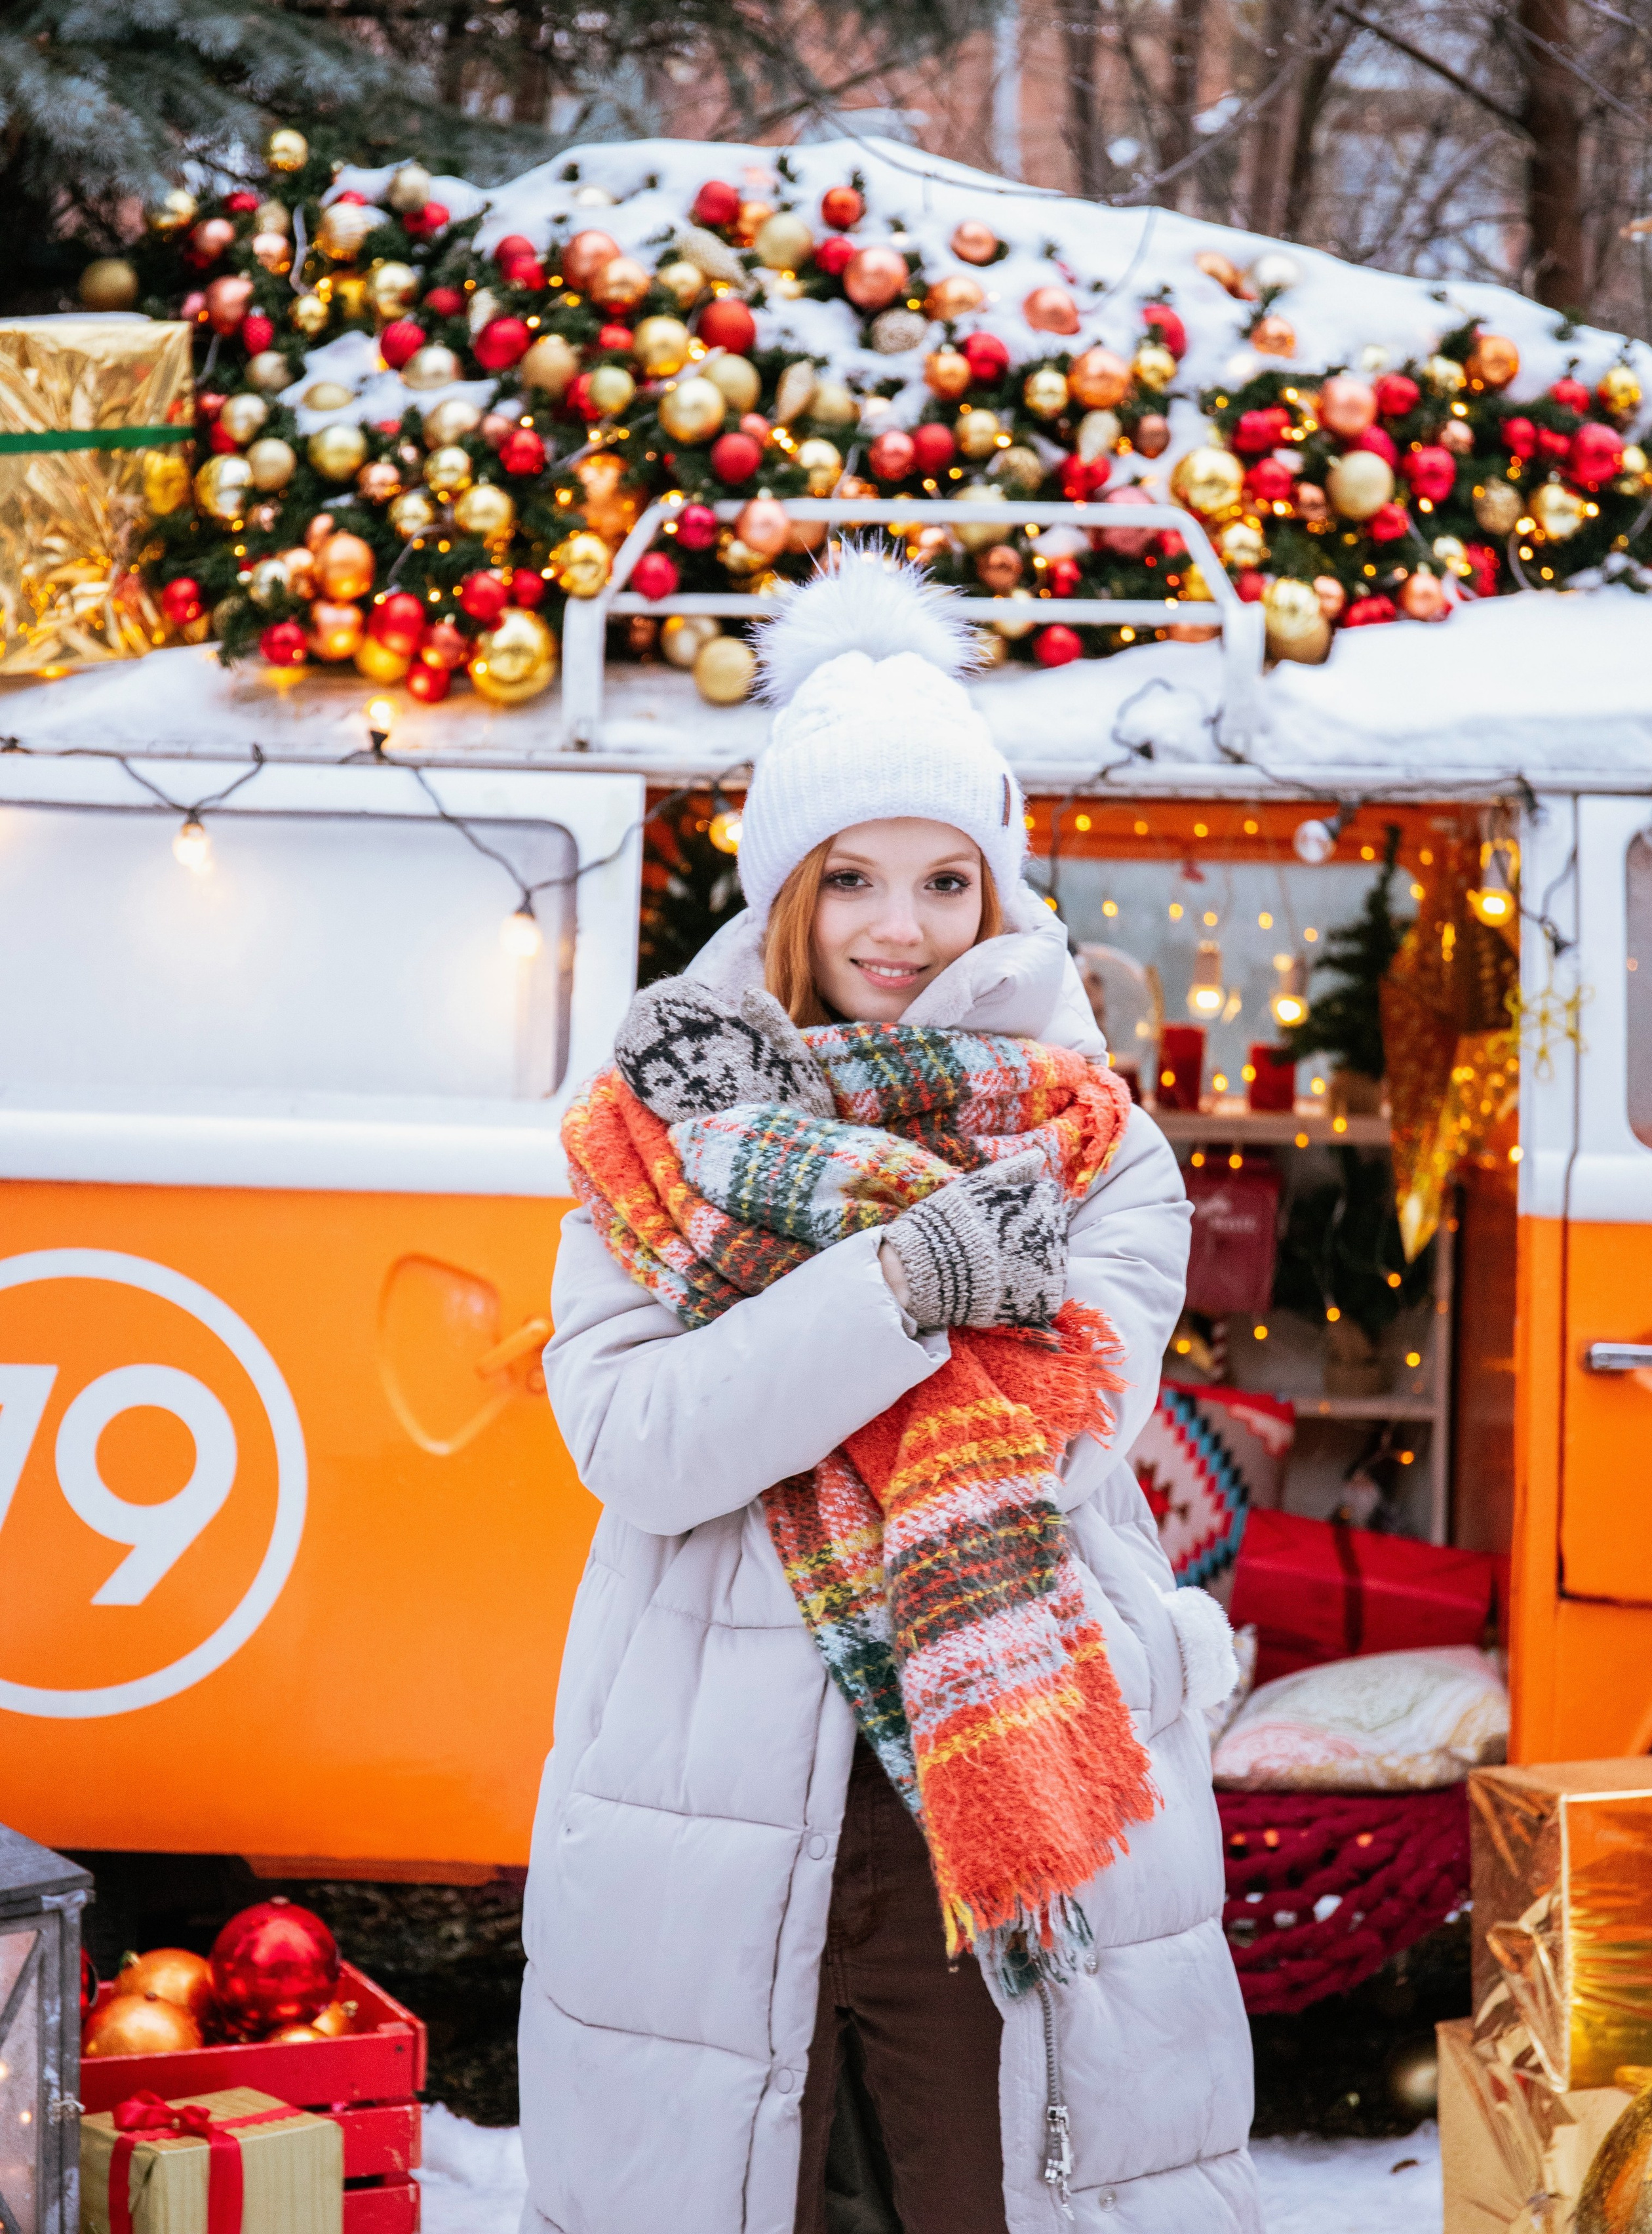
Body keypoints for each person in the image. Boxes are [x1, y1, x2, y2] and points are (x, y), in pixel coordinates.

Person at [519, 549, 1258, 2234]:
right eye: (851, 878)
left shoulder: (1093, 1147)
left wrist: (836, 1317)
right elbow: (639, 1443)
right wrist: (909, 1280)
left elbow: (1060, 1413)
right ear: (788, 889)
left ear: (996, 894)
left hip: (993, 1789)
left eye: (945, 881)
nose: (899, 930)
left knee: (979, 2194)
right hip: (708, 1792)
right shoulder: (651, 1127)